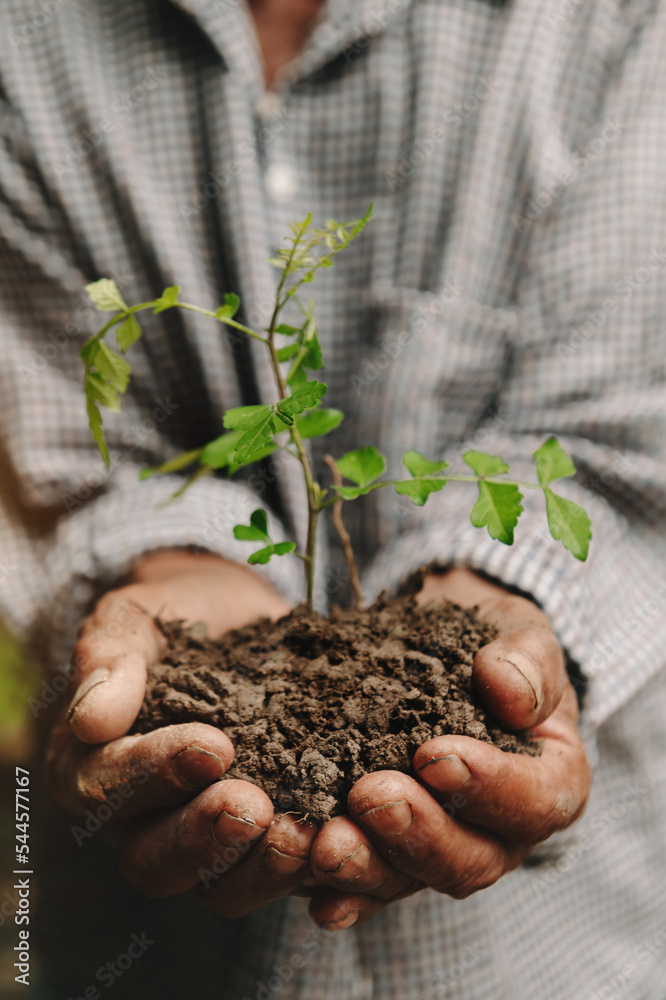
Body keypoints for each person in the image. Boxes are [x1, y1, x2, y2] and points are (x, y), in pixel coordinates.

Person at [1, 0, 665, 997]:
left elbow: (618, 449)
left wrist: (508, 598)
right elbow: (61, 459)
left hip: (556, 958)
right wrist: (171, 569)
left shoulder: (616, 22)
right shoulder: (25, 35)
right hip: (137, 958)